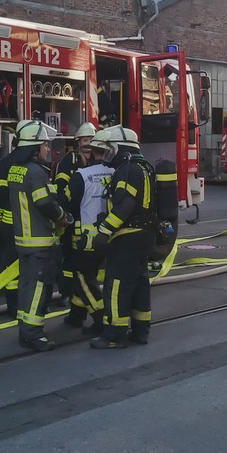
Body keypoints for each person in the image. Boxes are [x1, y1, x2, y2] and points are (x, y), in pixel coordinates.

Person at [6, 120, 72, 352]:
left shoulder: (16, 170)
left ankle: (25, 330)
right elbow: (44, 202)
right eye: (44, 145)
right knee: (38, 289)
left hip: (23, 241)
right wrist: (63, 215)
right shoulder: (35, 173)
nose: (47, 149)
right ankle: (33, 334)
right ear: (33, 147)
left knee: (26, 286)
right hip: (39, 241)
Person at [89, 126, 156, 349]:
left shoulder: (127, 170)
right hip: (143, 236)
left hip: (126, 238)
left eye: (110, 149)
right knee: (139, 285)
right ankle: (140, 331)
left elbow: (126, 205)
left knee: (117, 285)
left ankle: (114, 335)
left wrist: (105, 230)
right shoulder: (143, 168)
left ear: (122, 149)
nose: (108, 154)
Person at [62, 128, 115, 335]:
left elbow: (69, 207)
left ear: (91, 151)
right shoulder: (114, 173)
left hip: (84, 239)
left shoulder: (80, 176)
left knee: (82, 277)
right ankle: (76, 315)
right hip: (107, 236)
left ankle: (101, 318)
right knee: (88, 275)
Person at [0, 120, 34, 317]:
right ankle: (32, 304)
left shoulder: (5, 163)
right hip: (32, 225)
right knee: (31, 266)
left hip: (9, 224)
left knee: (11, 267)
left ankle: (13, 307)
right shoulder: (34, 165)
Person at [53, 122, 97, 311]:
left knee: (88, 263)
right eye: (85, 140)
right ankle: (66, 294)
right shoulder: (68, 162)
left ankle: (81, 297)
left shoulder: (98, 160)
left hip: (93, 222)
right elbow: (61, 191)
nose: (88, 145)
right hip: (73, 221)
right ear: (79, 142)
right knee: (69, 260)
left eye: (91, 140)